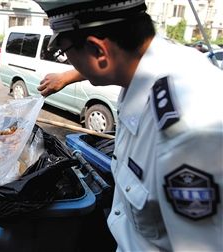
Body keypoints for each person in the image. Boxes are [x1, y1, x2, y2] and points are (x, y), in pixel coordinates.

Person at [34, 0, 222, 251]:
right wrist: (69, 76)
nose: (69, 63)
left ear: (98, 51)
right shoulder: (154, 58)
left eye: (65, 52)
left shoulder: (187, 135)